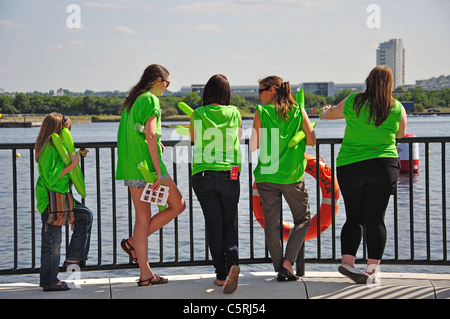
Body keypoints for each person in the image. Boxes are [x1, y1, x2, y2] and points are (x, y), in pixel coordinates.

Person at [320, 65, 407, 284]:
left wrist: (325, 110)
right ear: (390, 85)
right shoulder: (396, 107)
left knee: (353, 217)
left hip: (352, 166)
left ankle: (348, 263)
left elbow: (329, 115)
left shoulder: (353, 101)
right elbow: (401, 133)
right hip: (383, 166)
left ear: (368, 80)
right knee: (376, 219)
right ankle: (371, 269)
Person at [116, 64, 185, 287]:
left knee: (142, 218)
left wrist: (154, 142)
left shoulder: (133, 100)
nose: (166, 88)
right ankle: (133, 242)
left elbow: (141, 132)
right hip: (147, 168)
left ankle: (145, 273)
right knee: (178, 205)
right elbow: (152, 133)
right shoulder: (151, 100)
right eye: (167, 83)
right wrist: (156, 170)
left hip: (130, 166)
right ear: (157, 80)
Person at [250, 75, 315, 281]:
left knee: (271, 224)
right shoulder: (298, 111)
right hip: (291, 175)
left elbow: (254, 145)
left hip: (267, 175)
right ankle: (288, 264)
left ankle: (280, 268)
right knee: (303, 219)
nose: (258, 96)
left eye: (260, 91)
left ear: (271, 90)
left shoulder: (261, 112)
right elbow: (312, 139)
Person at [189, 74, 242, 294]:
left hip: (203, 175)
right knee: (229, 223)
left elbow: (193, 139)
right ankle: (232, 266)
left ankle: (221, 275)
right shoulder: (235, 113)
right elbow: (237, 137)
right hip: (229, 173)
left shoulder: (198, 114)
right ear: (226, 93)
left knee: (214, 224)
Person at [35, 113, 93, 291]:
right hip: (51, 199)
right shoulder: (49, 149)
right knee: (52, 241)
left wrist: (76, 155)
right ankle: (50, 281)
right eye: (66, 131)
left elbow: (61, 164)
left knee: (84, 215)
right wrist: (73, 165)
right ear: (58, 130)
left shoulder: (54, 147)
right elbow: (53, 178)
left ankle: (73, 259)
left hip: (60, 197)